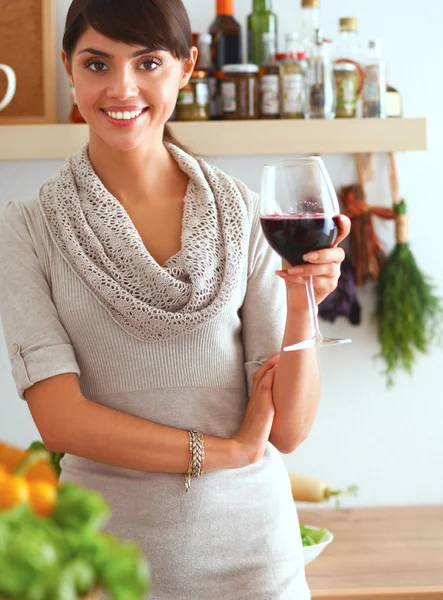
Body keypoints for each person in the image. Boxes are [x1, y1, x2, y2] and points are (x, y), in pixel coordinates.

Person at [0, 0, 350, 598]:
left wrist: (300, 300)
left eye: (148, 62)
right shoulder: (28, 228)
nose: (121, 87)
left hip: (257, 563)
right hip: (107, 567)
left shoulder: (243, 213)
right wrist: (228, 451)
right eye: (97, 63)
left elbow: (288, 430)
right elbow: (60, 420)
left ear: (187, 67)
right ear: (68, 68)